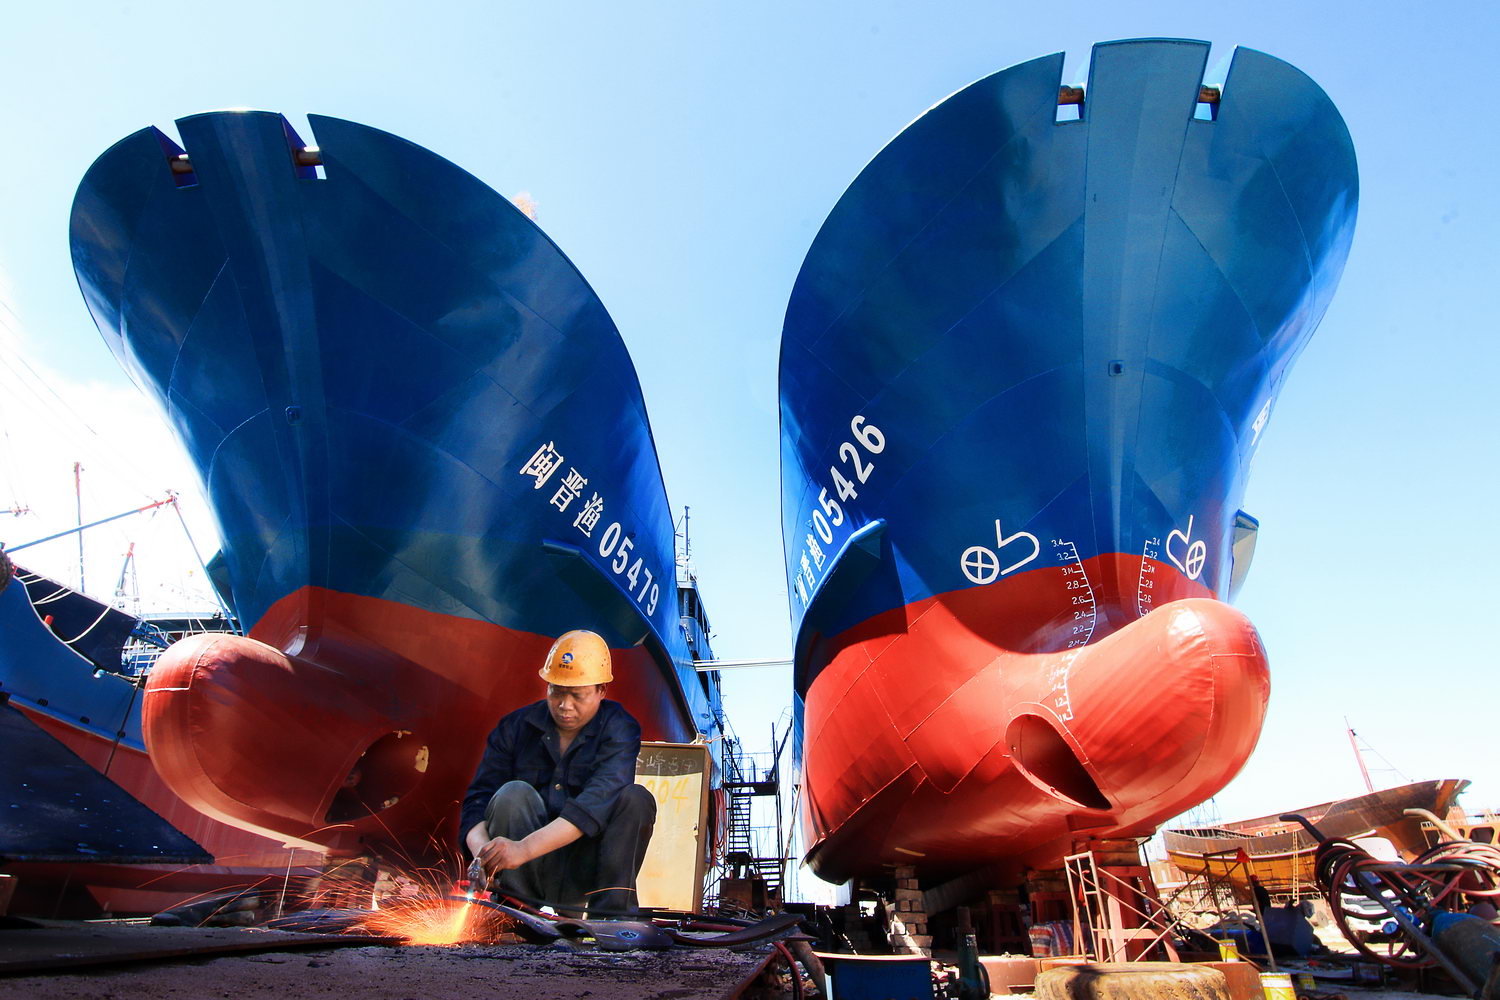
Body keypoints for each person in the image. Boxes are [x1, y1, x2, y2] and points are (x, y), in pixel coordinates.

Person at [460, 630, 656, 916]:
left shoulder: (620, 729)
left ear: (601, 691)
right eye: (557, 691)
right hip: (523, 870)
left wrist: (522, 850)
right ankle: (515, 912)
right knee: (513, 794)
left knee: (635, 799)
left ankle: (611, 916)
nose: (565, 705)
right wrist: (483, 852)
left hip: (585, 871)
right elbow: (478, 800)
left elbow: (593, 806)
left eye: (577, 695)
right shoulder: (515, 727)